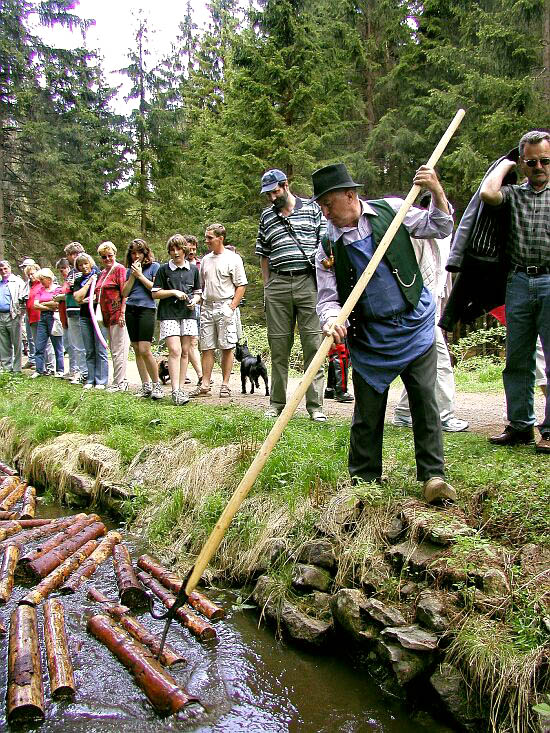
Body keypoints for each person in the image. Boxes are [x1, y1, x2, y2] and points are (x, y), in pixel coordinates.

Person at [313, 162, 456, 504]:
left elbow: (440, 225)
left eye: (329, 203)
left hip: (413, 323)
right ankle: (364, 483)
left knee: (425, 401)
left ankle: (433, 477)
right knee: (368, 412)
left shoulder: (393, 209)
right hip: (370, 336)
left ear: (350, 195)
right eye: (321, 206)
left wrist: (435, 190)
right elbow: (328, 298)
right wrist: (332, 320)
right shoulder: (328, 246)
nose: (325, 212)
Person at [480, 130, 550, 454]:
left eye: (545, 160)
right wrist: (506, 163)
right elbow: (487, 194)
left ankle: (548, 432)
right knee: (517, 359)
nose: (538, 166)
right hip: (519, 281)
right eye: (531, 161)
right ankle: (520, 426)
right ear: (522, 162)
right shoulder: (514, 195)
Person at [392, 191, 469, 432]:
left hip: (431, 307)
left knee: (419, 360)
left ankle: (404, 412)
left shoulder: (444, 237)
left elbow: (443, 278)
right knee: (440, 361)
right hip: (418, 307)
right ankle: (444, 414)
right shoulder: (417, 232)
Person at [255, 169, 326, 421]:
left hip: (309, 283)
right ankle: (276, 403)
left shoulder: (312, 209)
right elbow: (263, 253)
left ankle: (315, 406)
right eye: (267, 194)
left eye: (275, 192)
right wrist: (268, 286)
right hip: (278, 284)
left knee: (313, 346)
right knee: (278, 347)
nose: (272, 198)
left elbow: (325, 246)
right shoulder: (266, 216)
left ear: (286, 185)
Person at [190, 223, 247, 398]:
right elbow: (201, 286)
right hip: (207, 306)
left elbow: (241, 285)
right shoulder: (205, 260)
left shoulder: (233, 259)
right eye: (206, 237)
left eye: (210, 238)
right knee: (206, 346)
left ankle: (225, 384)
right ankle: (205, 384)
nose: (206, 241)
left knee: (226, 346)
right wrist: (197, 299)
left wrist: (232, 307)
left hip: (225, 305)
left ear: (220, 238)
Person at [152, 234, 202, 405]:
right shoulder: (163, 269)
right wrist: (173, 292)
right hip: (168, 314)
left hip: (188, 315)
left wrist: (194, 302)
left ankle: (180, 389)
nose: (175, 253)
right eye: (172, 250)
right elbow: (155, 292)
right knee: (175, 350)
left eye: (178, 249)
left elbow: (198, 293)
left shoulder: (193, 269)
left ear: (184, 250)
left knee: (185, 351)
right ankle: (174, 390)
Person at [122, 239, 163, 399]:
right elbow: (125, 293)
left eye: (139, 252)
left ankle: (156, 385)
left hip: (147, 308)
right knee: (137, 348)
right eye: (133, 253)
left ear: (145, 253)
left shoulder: (155, 267)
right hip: (131, 308)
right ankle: (145, 386)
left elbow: (154, 289)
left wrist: (140, 275)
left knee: (145, 349)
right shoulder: (128, 270)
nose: (136, 256)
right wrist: (133, 276)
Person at [95, 242, 130, 393]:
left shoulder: (119, 269)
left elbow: (125, 293)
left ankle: (120, 382)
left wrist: (122, 312)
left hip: (117, 314)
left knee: (119, 349)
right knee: (113, 349)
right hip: (107, 316)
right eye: (104, 257)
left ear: (115, 254)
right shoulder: (103, 273)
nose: (107, 259)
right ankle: (118, 380)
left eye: (110, 255)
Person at [72, 253, 108, 389]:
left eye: (86, 263)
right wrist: (88, 283)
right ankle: (90, 379)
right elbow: (78, 297)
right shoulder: (78, 280)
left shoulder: (100, 276)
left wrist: (91, 297)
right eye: (80, 265)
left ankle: (101, 380)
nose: (84, 267)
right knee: (89, 349)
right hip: (85, 316)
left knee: (100, 348)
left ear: (90, 263)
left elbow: (101, 294)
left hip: (98, 315)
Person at [32, 268, 65, 378]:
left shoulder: (57, 289)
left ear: (49, 278)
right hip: (42, 319)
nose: (41, 281)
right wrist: (48, 305)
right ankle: (39, 369)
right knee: (39, 345)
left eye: (42, 279)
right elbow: (35, 305)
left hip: (54, 318)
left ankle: (60, 370)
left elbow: (56, 303)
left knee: (57, 345)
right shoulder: (40, 290)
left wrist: (44, 304)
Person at [62, 242, 87, 383]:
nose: (72, 258)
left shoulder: (86, 270)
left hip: (81, 310)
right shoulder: (71, 272)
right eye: (70, 255)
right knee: (75, 344)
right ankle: (79, 371)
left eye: (74, 254)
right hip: (70, 310)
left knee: (82, 344)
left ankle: (83, 372)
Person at [25, 263, 55, 375]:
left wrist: (43, 306)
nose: (31, 276)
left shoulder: (41, 287)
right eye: (29, 274)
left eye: (32, 273)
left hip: (42, 317)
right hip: (32, 317)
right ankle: (40, 368)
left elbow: (51, 302)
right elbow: (33, 304)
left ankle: (50, 367)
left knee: (47, 344)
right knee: (38, 344)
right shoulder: (30, 286)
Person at [183, 234, 203, 386]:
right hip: (180, 308)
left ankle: (200, 374)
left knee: (192, 342)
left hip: (198, 306)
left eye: (194, 249)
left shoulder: (200, 264)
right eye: (189, 249)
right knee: (185, 343)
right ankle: (188, 374)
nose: (192, 252)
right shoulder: (175, 265)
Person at [0, 260, 27, 374]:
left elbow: (23, 298)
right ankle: (6, 368)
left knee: (17, 342)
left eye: (5, 269)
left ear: (9, 268)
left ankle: (17, 369)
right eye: (1, 270)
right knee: (3, 343)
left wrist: (20, 313)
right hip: (1, 315)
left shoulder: (17, 281)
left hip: (14, 315)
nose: (3, 271)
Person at [19, 257, 37, 369]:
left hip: (38, 313)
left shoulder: (38, 282)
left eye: (26, 267)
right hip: (27, 312)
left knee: (37, 338)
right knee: (30, 337)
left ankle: (38, 360)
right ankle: (32, 359)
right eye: (24, 268)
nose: (24, 270)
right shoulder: (26, 283)